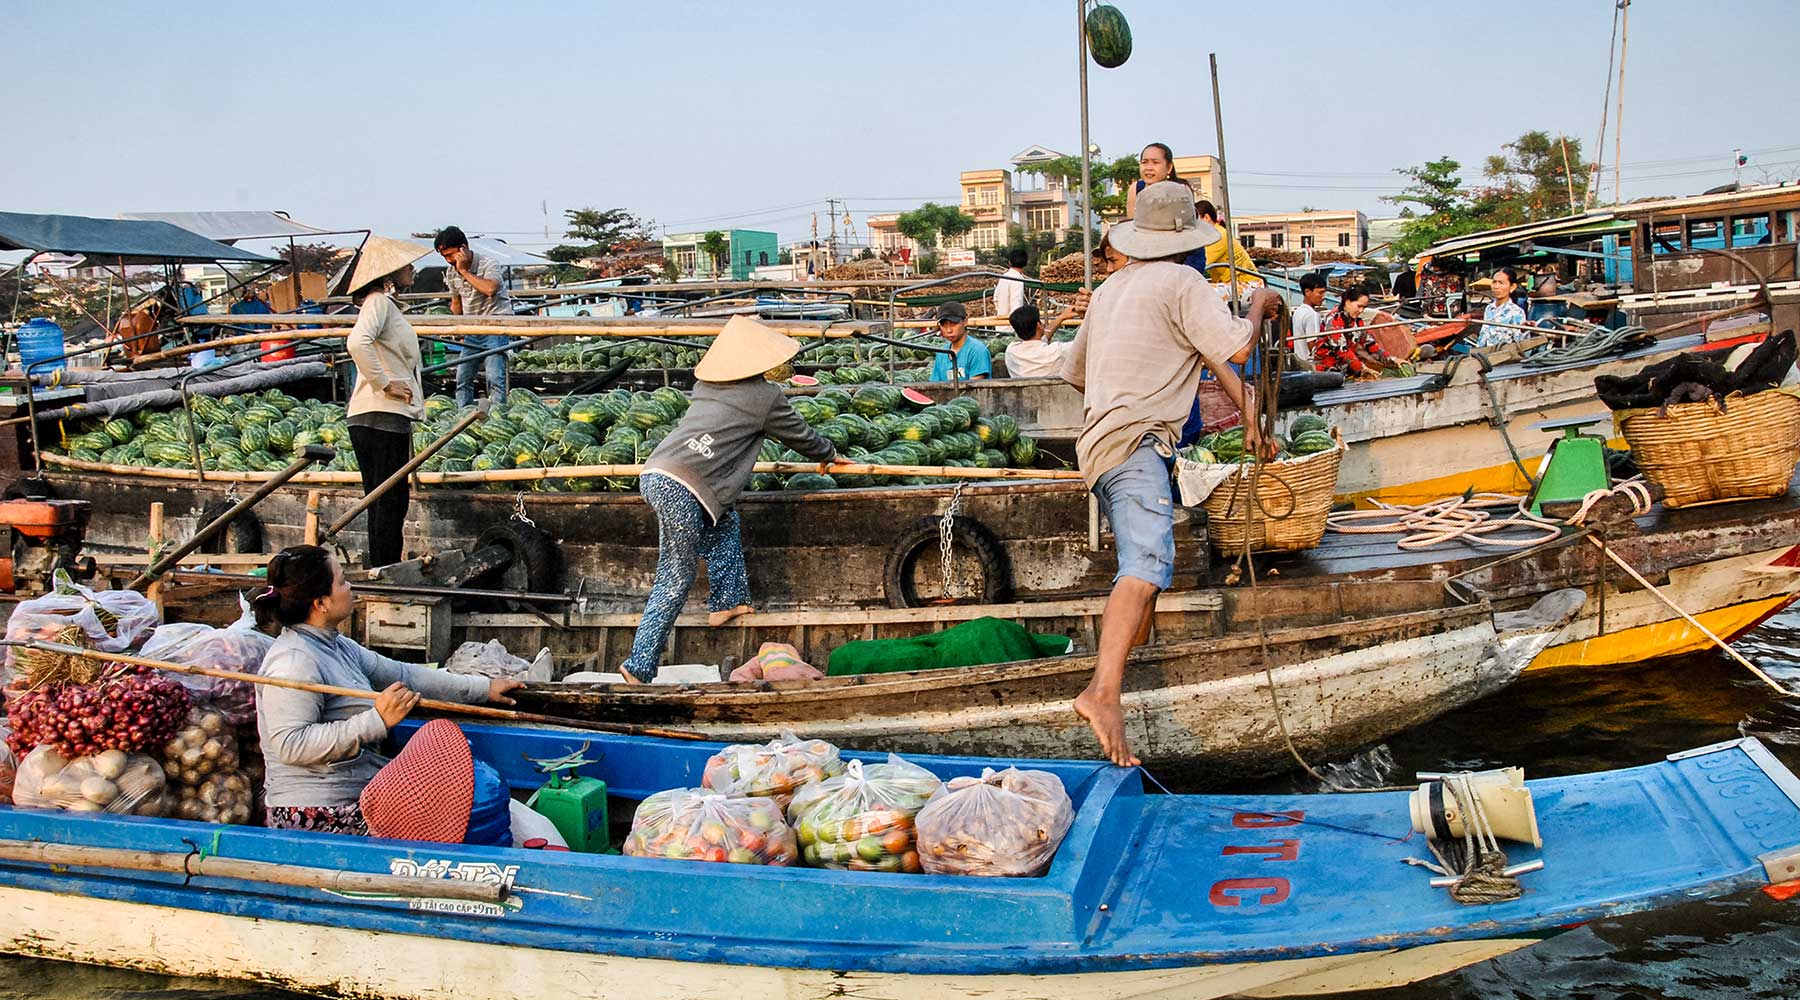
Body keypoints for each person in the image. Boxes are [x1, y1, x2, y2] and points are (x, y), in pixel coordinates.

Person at [1056, 181, 1280, 766]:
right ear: (1187, 242)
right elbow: (1236, 349)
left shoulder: (1111, 290)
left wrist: (1250, 416)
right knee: (1147, 564)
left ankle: (1136, 659)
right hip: (1135, 447)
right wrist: (1259, 305)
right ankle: (1103, 692)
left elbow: (1076, 372)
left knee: (1149, 567)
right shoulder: (1184, 282)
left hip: (1103, 446)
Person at [620, 316, 849, 683]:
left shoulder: (707, 385)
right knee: (675, 578)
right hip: (682, 486)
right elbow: (800, 436)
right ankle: (638, 665)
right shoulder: (765, 397)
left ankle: (728, 602)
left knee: (724, 520)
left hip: (658, 473)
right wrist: (829, 453)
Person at [253, 545, 522, 836]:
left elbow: (405, 674)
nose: (350, 587)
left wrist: (483, 688)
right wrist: (376, 721)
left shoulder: (337, 645)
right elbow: (292, 745)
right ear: (321, 603)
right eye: (342, 581)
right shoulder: (293, 661)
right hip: (318, 812)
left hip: (362, 788)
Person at [343, 236, 431, 568]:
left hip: (380, 417)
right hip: (380, 414)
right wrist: (386, 385)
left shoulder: (383, 305)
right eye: (407, 265)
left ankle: (382, 568)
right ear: (390, 273)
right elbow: (357, 342)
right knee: (389, 501)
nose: (412, 269)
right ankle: (385, 571)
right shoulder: (378, 302)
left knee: (385, 500)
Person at [436, 226, 514, 406]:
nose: (449, 260)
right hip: (473, 329)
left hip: (495, 327)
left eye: (451, 255)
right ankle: (464, 415)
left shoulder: (489, 264)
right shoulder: (450, 272)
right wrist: (458, 328)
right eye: (445, 257)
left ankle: (498, 416)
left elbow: (490, 289)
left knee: (495, 377)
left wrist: (464, 271)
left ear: (463, 247)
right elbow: (456, 302)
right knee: (462, 377)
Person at [1311, 283, 1395, 376]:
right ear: (1347, 302)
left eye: (1364, 307)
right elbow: (1342, 350)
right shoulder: (1333, 320)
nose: (1361, 311)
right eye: (1359, 306)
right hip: (1326, 370)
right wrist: (1362, 369)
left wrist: (1390, 359)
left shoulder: (1357, 322)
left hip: (1345, 369)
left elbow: (1369, 343)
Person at [1185, 200, 1260, 291]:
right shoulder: (1213, 234)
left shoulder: (1217, 236)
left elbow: (1199, 264)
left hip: (1248, 284)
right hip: (1229, 283)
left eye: (1195, 221)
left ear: (1206, 217)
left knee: (1198, 292)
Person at [1003, 303, 1078, 377]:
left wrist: (1061, 317)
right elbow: (1083, 343)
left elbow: (1040, 340)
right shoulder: (1058, 351)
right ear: (1038, 325)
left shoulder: (1011, 351)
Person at [928, 301, 993, 381]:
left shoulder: (977, 351)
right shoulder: (942, 353)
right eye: (944, 325)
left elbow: (976, 388)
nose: (949, 330)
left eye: (954, 324)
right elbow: (935, 385)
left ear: (965, 322)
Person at [1125, 142, 1183, 219]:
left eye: (1155, 162)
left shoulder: (1181, 190)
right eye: (1144, 162)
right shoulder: (1135, 189)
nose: (1149, 168)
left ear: (1169, 167)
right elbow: (1131, 223)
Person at [1475, 267, 1529, 348]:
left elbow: (1522, 344)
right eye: (1494, 282)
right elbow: (1483, 335)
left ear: (1512, 287)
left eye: (1501, 283)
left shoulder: (1516, 312)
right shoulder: (1489, 309)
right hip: (1484, 355)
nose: (1496, 287)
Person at [1291, 273, 1328, 368]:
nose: (1323, 297)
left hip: (1300, 363)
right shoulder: (1312, 315)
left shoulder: (1298, 312)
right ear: (1307, 292)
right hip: (1311, 365)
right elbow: (1314, 346)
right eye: (1320, 292)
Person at [993, 246, 1030, 321]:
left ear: (1009, 262)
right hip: (1012, 326)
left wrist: (1001, 311)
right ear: (1026, 262)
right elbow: (1017, 305)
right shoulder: (1017, 280)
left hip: (1001, 321)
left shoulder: (1004, 277)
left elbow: (995, 299)